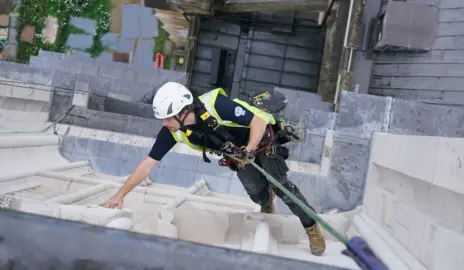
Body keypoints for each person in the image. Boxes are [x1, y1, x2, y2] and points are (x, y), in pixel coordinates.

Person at [104, 82, 326, 255]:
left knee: (284, 187)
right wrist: (119, 195)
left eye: (166, 118)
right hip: (238, 154)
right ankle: (267, 201)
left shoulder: (215, 105)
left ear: (183, 112)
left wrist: (249, 151)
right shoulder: (174, 131)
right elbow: (147, 164)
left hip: (260, 142)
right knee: (256, 194)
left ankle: (312, 228)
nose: (163, 123)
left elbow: (258, 122)